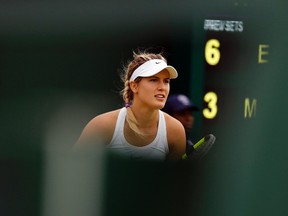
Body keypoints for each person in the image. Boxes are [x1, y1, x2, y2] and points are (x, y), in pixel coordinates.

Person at [75, 50, 186, 161]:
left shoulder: (175, 131)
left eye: (166, 81)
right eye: (153, 80)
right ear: (134, 86)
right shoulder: (102, 125)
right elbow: (72, 167)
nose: (162, 87)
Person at [162, 94, 204, 159]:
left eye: (190, 114)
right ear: (168, 116)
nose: (188, 118)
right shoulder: (156, 144)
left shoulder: (190, 147)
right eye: (182, 113)